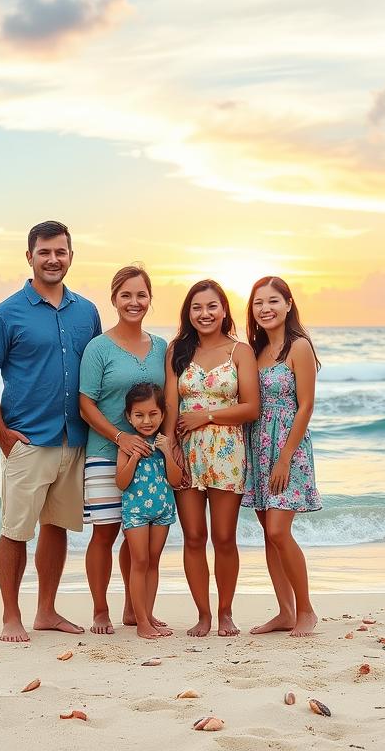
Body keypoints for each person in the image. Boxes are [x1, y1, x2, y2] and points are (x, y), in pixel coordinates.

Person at [0, 220, 102, 643]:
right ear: (29, 257)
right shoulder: (7, 313)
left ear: (70, 256)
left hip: (74, 439)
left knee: (57, 526)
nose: (52, 259)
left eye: (60, 252)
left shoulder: (87, 311)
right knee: (15, 530)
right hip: (28, 438)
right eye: (44, 252)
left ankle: (46, 611)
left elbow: (98, 370)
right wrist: (1, 433)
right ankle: (12, 616)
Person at [164, 280, 260, 637]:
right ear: (188, 313)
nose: (204, 314)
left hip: (227, 452)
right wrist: (171, 446)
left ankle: (225, 613)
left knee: (223, 537)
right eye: (196, 308)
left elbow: (251, 407)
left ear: (223, 311)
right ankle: (203, 614)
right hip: (186, 452)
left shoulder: (240, 351)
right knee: (192, 536)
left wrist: (206, 416)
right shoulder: (177, 350)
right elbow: (171, 405)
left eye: (211, 307)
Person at [79, 266, 168, 634]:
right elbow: (86, 404)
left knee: (139, 535)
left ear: (150, 299)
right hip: (105, 451)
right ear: (114, 299)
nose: (134, 302)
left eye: (141, 295)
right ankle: (101, 610)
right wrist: (120, 438)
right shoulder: (98, 347)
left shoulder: (162, 346)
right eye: (126, 295)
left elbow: (167, 402)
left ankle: (135, 611)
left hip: (150, 460)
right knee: (106, 532)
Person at [244, 277, 322, 637]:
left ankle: (306, 610)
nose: (266, 309)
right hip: (257, 444)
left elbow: (306, 405)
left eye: (273, 301)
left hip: (287, 447)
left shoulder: (299, 347)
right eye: (259, 303)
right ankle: (285, 611)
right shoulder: (255, 350)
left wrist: (285, 456)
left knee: (279, 529)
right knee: (268, 534)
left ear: (289, 304)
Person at [115, 383, 183, 639]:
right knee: (140, 561)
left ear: (162, 414)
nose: (146, 421)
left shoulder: (164, 442)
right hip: (136, 513)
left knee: (153, 562)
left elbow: (176, 481)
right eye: (139, 415)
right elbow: (121, 482)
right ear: (129, 417)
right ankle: (140, 620)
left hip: (163, 510)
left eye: (153, 414)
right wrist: (133, 456)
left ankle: (149, 613)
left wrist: (166, 452)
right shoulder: (127, 445)